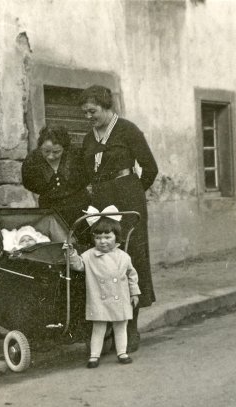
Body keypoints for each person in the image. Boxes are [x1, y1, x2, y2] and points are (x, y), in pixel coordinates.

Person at [79, 84, 158, 353]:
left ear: (106, 106)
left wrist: (133, 192)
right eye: (85, 112)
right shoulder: (89, 139)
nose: (88, 116)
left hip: (127, 203)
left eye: (93, 111)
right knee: (104, 261)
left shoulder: (127, 130)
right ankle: (110, 325)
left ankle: (130, 327)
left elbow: (150, 168)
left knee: (128, 260)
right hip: (101, 203)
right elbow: (85, 172)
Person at [66, 212, 140, 368]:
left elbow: (132, 275)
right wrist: (71, 253)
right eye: (98, 238)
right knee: (98, 328)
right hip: (99, 297)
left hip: (120, 297)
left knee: (121, 326)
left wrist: (134, 293)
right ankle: (94, 355)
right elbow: (78, 265)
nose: (102, 241)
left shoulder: (123, 257)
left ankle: (122, 352)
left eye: (107, 237)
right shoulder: (88, 256)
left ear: (117, 238)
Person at [21, 125, 89, 228]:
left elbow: (86, 177)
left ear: (64, 148)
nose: (50, 156)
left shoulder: (76, 156)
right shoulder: (32, 160)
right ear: (40, 147)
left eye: (56, 152)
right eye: (46, 151)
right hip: (50, 211)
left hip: (80, 208)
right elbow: (29, 183)